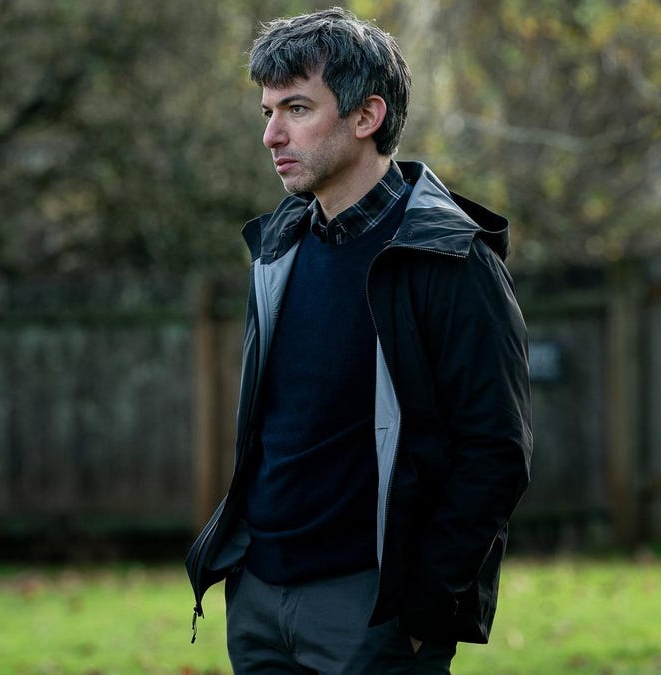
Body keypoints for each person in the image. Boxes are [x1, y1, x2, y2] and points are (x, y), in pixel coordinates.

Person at [185, 7, 532, 673]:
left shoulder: (448, 257)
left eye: (296, 108)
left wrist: (422, 606)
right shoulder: (277, 247)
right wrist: (246, 582)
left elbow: (496, 451)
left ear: (367, 115)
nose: (271, 134)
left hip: (371, 612)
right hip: (258, 601)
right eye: (267, 112)